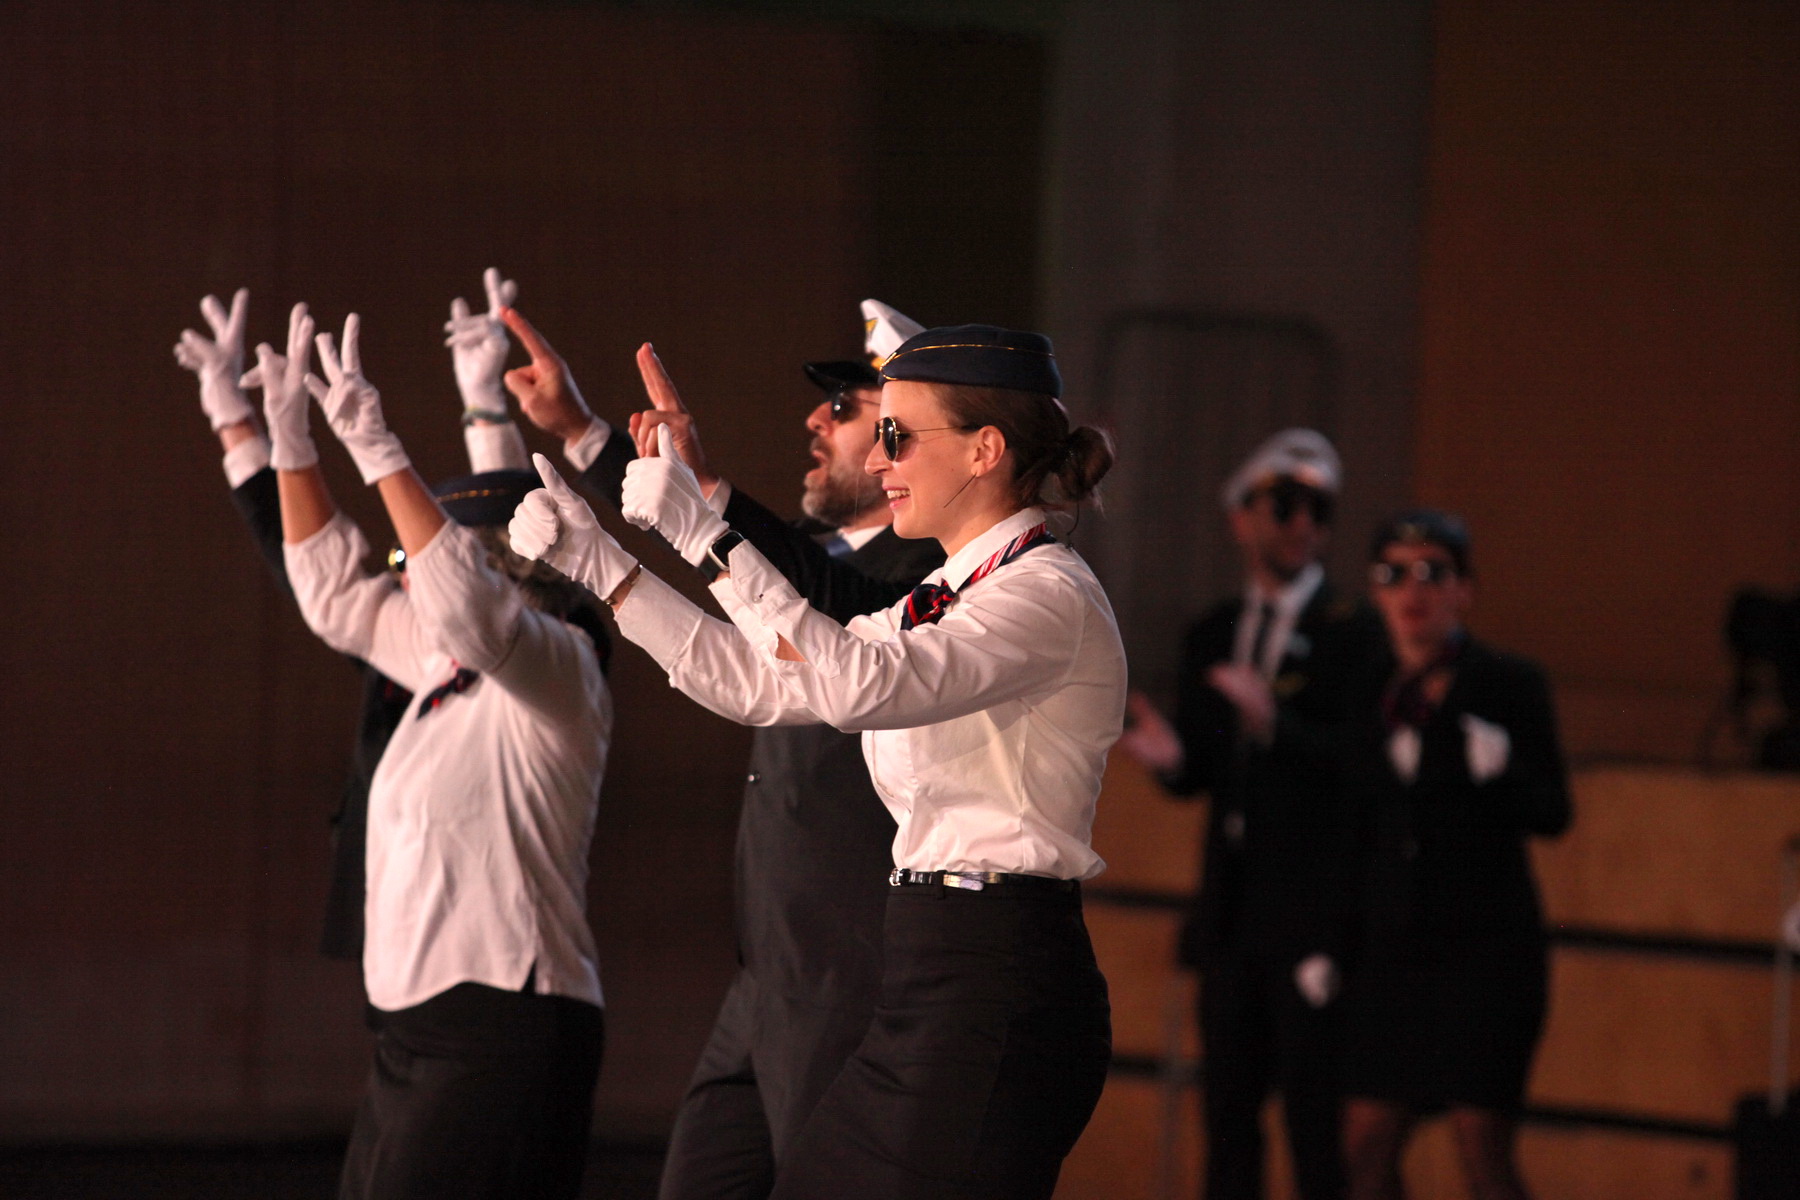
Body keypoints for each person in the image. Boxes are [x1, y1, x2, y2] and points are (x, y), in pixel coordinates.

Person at [509, 325, 1123, 1199]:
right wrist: (603, 568)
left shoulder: (1047, 592)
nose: (878, 461)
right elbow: (758, 682)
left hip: (1002, 980)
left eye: (898, 435)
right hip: (930, 968)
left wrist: (703, 532)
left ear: (985, 449)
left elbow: (853, 686)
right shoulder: (947, 593)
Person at [500, 299, 945, 1199]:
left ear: (903, 440)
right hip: (768, 966)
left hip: (847, 962)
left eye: (846, 407)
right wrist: (585, 435)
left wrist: (699, 493)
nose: (815, 420)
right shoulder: (816, 554)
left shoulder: (922, 573)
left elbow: (806, 592)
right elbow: (747, 581)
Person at [244, 304, 611, 1200]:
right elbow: (338, 598)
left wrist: (379, 451)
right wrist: (292, 445)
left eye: (426, 557)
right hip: (417, 1026)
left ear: (501, 568)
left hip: (505, 1021)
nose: (406, 574)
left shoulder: (558, 669)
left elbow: (470, 608)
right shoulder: (441, 665)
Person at [174, 270, 541, 959]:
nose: (410, 571)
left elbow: (501, 565)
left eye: (420, 553)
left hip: (493, 933)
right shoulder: (412, 641)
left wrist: (485, 409)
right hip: (394, 913)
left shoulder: (533, 644)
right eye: (404, 557)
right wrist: (254, 430)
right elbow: (311, 569)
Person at [1116, 430, 1385, 1200]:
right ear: (1241, 518)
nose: (1303, 524)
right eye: (1285, 505)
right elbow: (1209, 772)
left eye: (1320, 510)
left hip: (1313, 919)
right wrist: (1173, 760)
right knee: (1227, 1122)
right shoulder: (1213, 631)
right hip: (1232, 917)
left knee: (1314, 1126)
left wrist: (1277, 724)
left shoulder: (1354, 631)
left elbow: (1364, 766)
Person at [1339, 511, 1570, 1200]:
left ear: (1464, 589)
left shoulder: (1507, 682)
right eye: (1393, 573)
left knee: (1481, 1149)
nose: (1413, 590)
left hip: (1485, 955)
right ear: (1375, 591)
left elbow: (1554, 812)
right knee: (1364, 1147)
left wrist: (1499, 771)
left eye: (1432, 572)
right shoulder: (1363, 684)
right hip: (1392, 954)